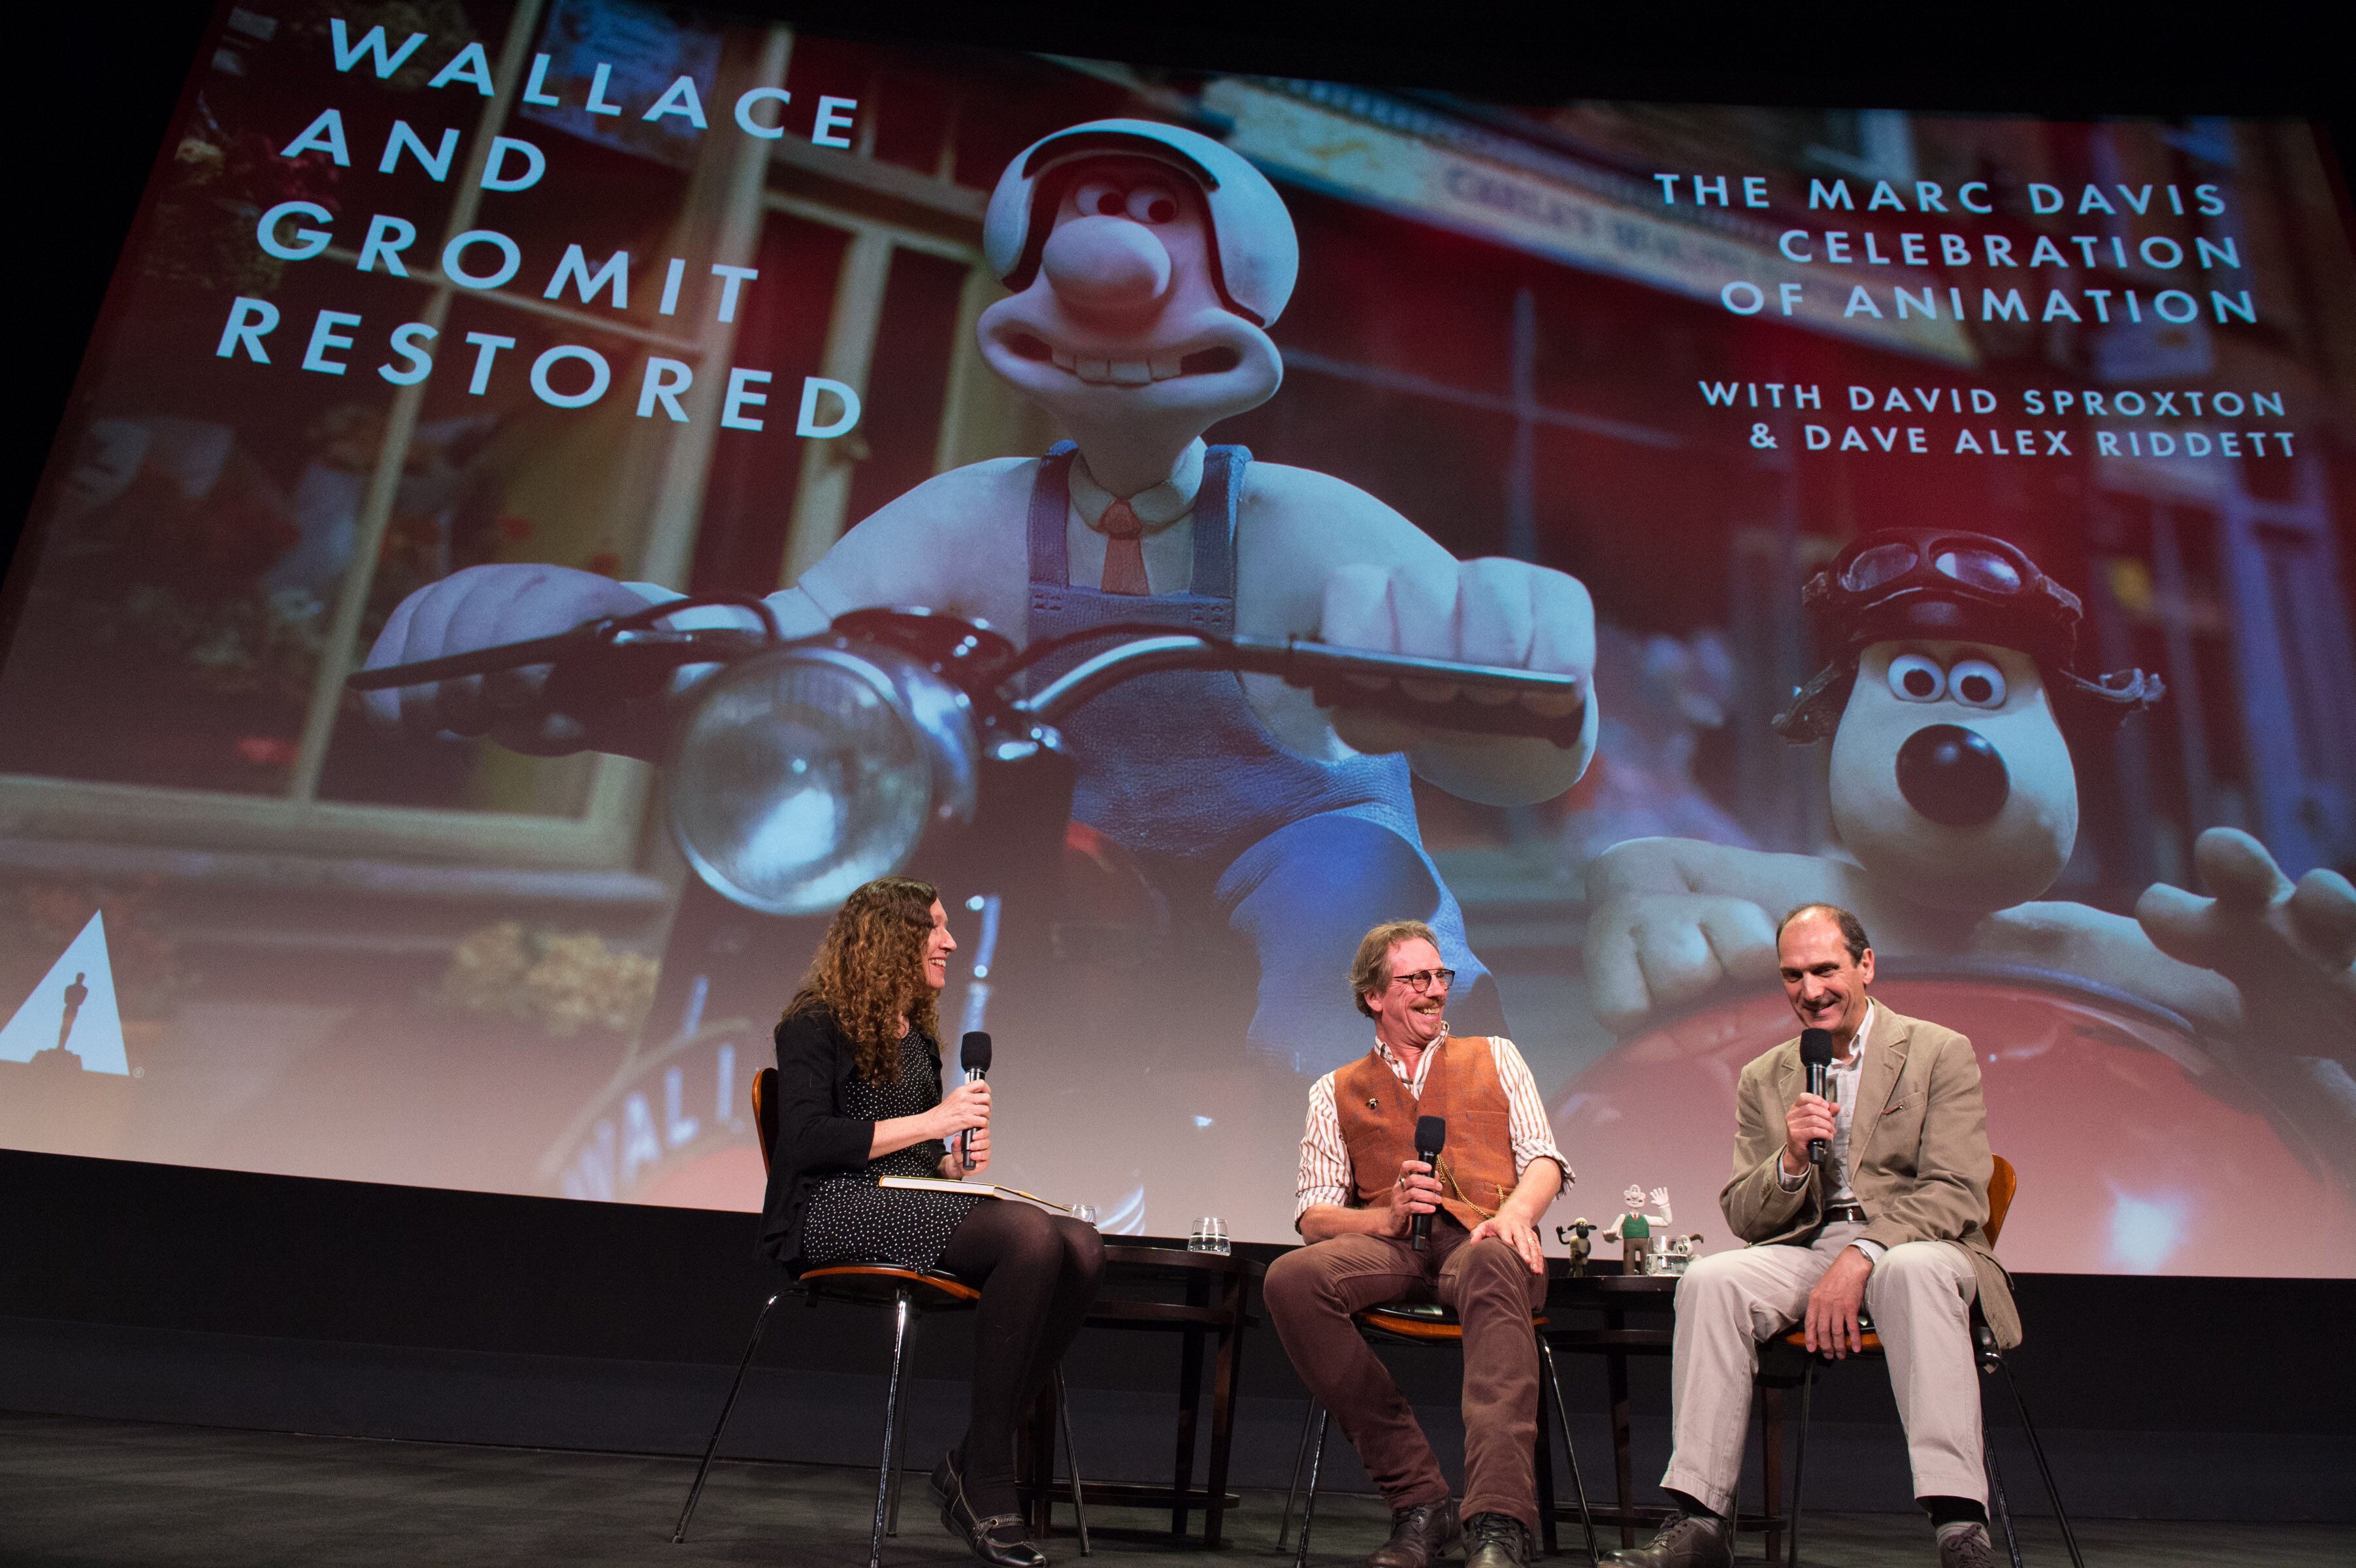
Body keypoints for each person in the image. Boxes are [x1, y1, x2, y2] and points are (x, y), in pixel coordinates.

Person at [1607, 903, 2016, 1568]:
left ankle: (1960, 1529)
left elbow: (1956, 1191)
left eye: (1825, 969)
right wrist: (1791, 1162)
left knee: (1910, 1271)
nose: (1811, 990)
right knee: (1711, 1279)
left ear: (1866, 965)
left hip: (1920, 1245)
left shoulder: (1938, 1051)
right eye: (1793, 976)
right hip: (1807, 1253)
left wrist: (1864, 1254)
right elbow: (1746, 1216)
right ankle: (1701, 1521)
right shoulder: (1766, 1076)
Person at [765, 876, 1104, 1568]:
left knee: (1082, 1244)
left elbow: (912, 1156)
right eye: (935, 928)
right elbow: (804, 1140)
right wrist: (934, 1120)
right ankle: (986, 1479)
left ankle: (972, 1456)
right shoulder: (812, 1023)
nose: (950, 942)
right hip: (834, 1210)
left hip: (907, 1202)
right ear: (889, 937)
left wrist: (949, 1164)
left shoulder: (918, 1034)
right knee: (1029, 1235)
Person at [1262, 919, 1571, 1568]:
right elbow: (1315, 1216)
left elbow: (1544, 1159)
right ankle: (1419, 1501)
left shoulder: (1497, 1056)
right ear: (1375, 996)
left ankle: (1497, 1520)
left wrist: (1517, 1214)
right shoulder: (1334, 1090)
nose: (1435, 992)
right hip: (1397, 1249)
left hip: (1487, 1241)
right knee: (1291, 1279)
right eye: (1416, 980)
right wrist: (1386, 1218)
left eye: (1440, 978)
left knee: (1490, 1259)